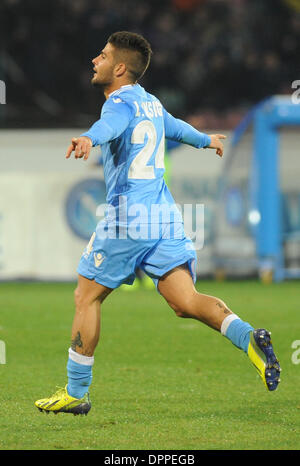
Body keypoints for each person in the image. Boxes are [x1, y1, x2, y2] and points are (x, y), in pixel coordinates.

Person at [35, 31, 281, 416]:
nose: (93, 61)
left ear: (119, 68)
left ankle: (75, 392)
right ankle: (249, 336)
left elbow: (109, 128)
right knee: (185, 302)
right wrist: (206, 140)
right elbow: (176, 127)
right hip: (164, 217)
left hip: (128, 218)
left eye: (101, 56)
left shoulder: (117, 103)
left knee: (87, 296)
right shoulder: (150, 102)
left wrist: (87, 138)